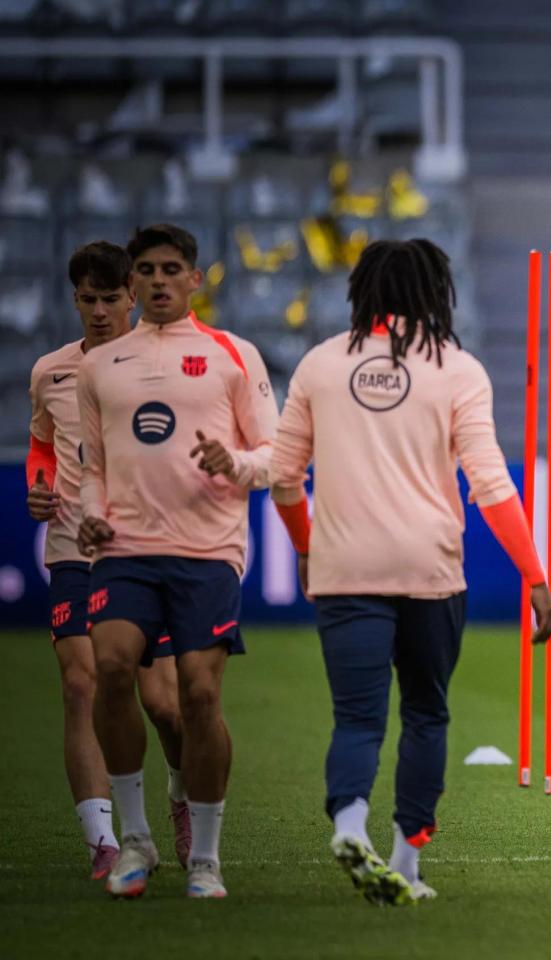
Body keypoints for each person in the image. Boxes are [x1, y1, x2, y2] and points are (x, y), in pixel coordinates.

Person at [270, 238, 551, 905]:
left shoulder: (319, 365)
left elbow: (284, 477)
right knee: (426, 713)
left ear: (362, 289)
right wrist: (534, 576)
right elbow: (491, 485)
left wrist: (307, 547)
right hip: (430, 570)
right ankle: (407, 859)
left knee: (356, 719)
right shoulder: (456, 369)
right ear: (436, 291)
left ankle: (349, 824)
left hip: (345, 572)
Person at [77, 224, 279, 899]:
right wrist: (93, 512)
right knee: (109, 667)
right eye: (146, 271)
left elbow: (277, 453)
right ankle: (135, 840)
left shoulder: (232, 354)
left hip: (207, 550)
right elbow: (92, 466)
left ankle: (206, 858)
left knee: (197, 694)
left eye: (172, 269)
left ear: (196, 279)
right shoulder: (98, 366)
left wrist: (239, 462)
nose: (159, 280)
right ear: (131, 284)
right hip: (124, 549)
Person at [27, 242, 188, 881]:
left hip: (147, 552)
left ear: (131, 297)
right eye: (86, 300)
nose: (97, 311)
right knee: (79, 683)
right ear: (74, 300)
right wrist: (39, 486)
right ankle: (104, 840)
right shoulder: (51, 372)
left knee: (167, 704)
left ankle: (180, 794)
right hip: (73, 546)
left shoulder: (163, 367)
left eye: (108, 299)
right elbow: (42, 446)